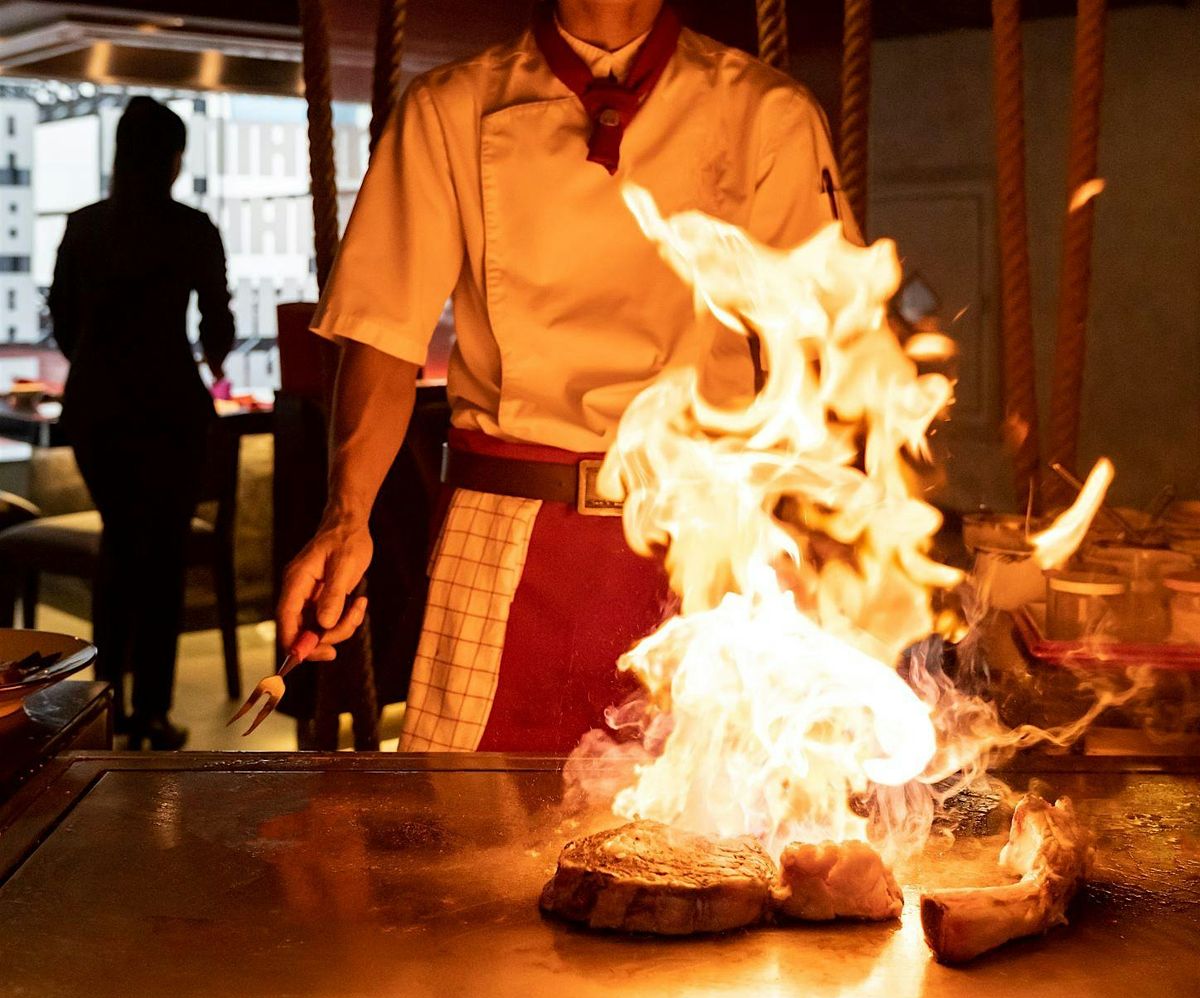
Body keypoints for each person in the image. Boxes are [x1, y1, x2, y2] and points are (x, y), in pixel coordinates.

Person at [279, 0, 857, 753]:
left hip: (707, 537)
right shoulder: (450, 106)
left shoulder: (766, 111)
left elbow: (817, 349)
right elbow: (384, 333)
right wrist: (345, 516)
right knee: (463, 844)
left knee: (712, 845)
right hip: (505, 531)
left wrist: (830, 537)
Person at [49, 96, 235, 750]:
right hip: (170, 409)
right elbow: (218, 325)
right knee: (161, 558)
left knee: (120, 547)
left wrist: (101, 368)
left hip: (97, 409)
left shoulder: (83, 226)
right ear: (173, 160)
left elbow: (64, 321)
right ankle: (152, 712)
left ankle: (107, 700)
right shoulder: (192, 229)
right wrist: (215, 361)